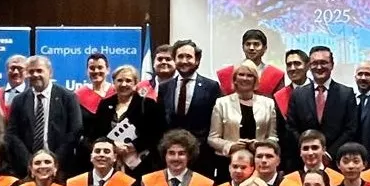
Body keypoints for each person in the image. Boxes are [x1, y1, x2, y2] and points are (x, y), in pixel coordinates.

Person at [158, 40, 223, 172]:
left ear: (197, 60)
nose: (184, 61)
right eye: (180, 57)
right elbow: (161, 122)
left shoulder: (211, 87)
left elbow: (215, 123)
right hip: (172, 156)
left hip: (201, 156)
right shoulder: (165, 87)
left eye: (188, 57)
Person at [286, 45, 360, 160]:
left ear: (332, 65)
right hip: (304, 159)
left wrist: (329, 153)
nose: (319, 67)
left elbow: (350, 129)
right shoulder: (298, 94)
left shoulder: (346, 93)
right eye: (314, 63)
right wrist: (308, 150)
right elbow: (291, 127)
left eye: (323, 62)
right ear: (309, 66)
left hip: (336, 160)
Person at [7, 55, 84, 165]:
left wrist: (53, 161)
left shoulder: (67, 97)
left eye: (39, 71)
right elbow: (12, 134)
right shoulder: (19, 100)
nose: (35, 75)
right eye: (31, 71)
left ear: (50, 72)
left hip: (60, 166)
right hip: (27, 167)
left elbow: (75, 131)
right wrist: (30, 162)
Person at [89, 65, 163, 176]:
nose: (124, 84)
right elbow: (96, 133)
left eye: (128, 81)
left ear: (135, 84)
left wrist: (132, 146)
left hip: (139, 163)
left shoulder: (148, 105)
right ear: (113, 83)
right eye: (119, 80)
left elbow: (157, 134)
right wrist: (113, 145)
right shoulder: (105, 104)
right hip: (109, 163)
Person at [208, 60, 280, 165]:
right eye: (241, 75)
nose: (245, 78)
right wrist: (230, 146)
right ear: (235, 79)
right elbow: (212, 138)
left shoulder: (268, 104)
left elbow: (273, 137)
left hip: (259, 162)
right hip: (229, 162)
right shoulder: (222, 103)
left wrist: (260, 145)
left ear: (255, 80)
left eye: (250, 75)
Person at [217, 29, 286, 96]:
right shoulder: (228, 74)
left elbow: (279, 104)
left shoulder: (275, 75)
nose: (251, 48)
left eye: (256, 44)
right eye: (248, 44)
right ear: (243, 47)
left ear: (265, 48)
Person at [76, 53, 117, 121]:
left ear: (108, 70)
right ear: (87, 71)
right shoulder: (79, 95)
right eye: (92, 68)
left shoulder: (116, 93)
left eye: (100, 67)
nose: (96, 71)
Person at [271, 48, 311, 119]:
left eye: (297, 63)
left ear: (307, 66)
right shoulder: (279, 96)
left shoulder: (319, 91)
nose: (292, 68)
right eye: (289, 65)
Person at [0, 55, 29, 119]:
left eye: (20, 68)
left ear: (27, 72)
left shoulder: (33, 95)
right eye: (12, 68)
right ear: (7, 70)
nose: (16, 72)